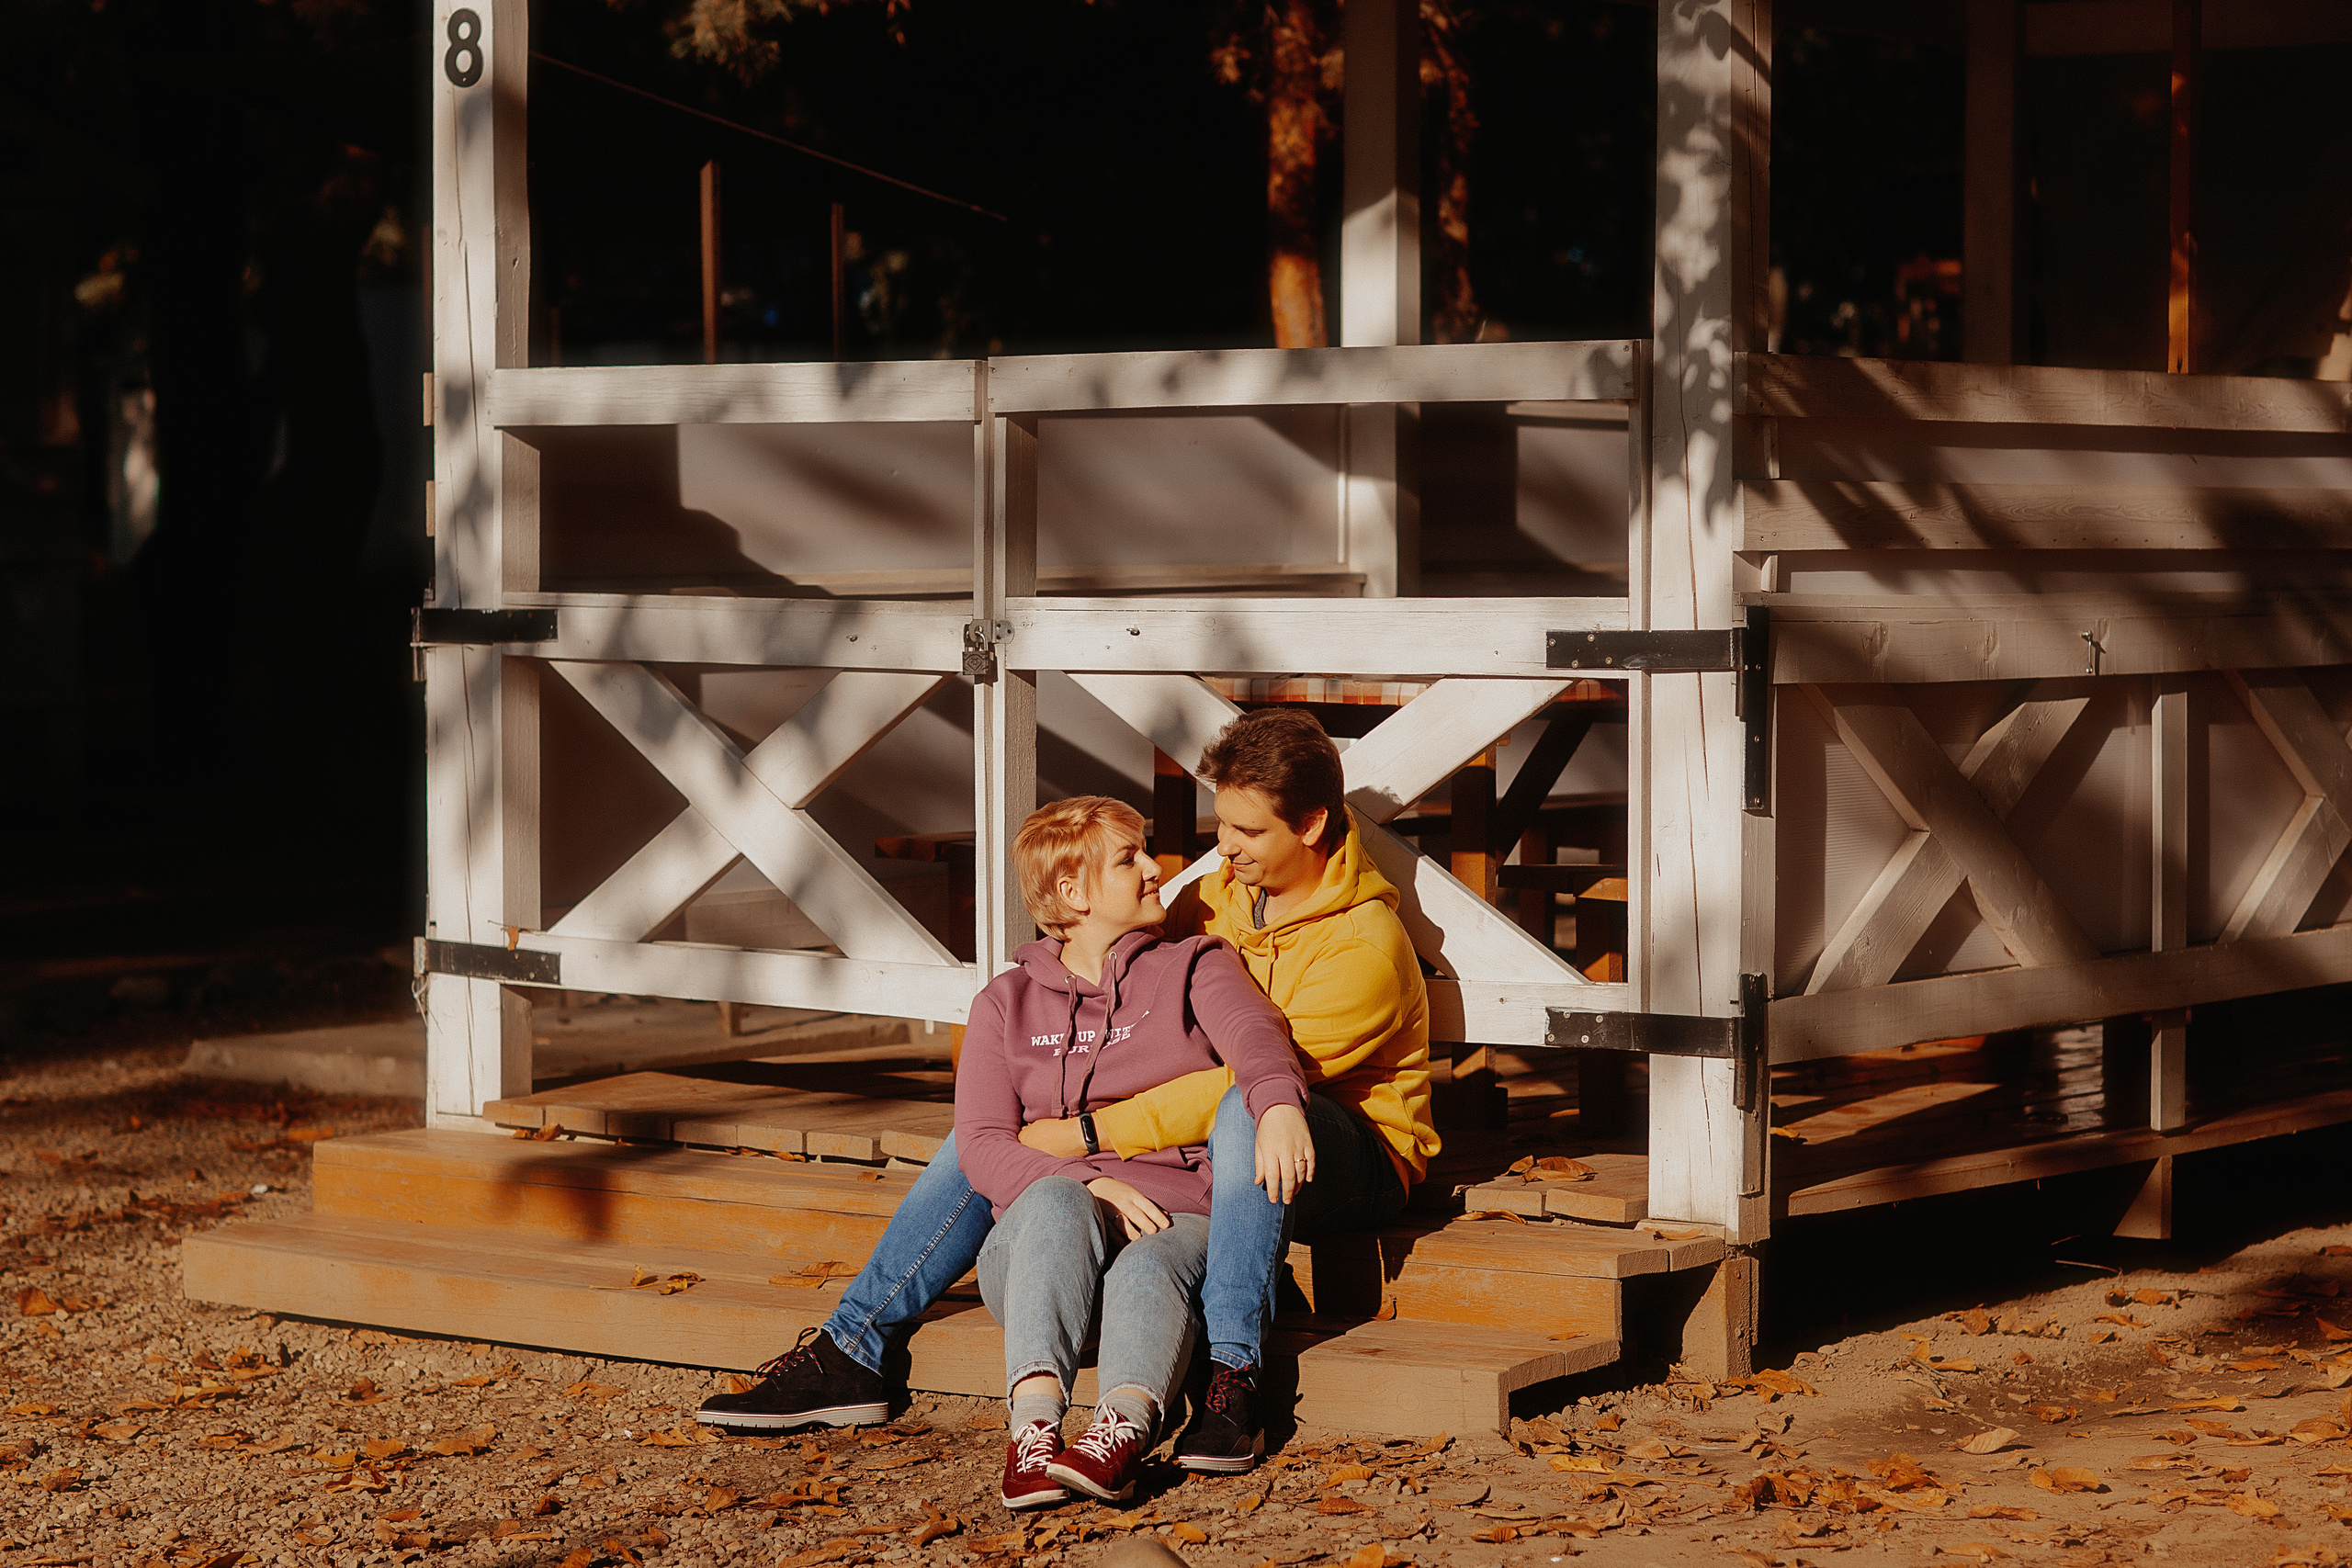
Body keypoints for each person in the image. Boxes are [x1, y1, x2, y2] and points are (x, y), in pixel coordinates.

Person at [695, 708, 1435, 1472]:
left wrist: (1089, 1133)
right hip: (1208, 1147)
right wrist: (1069, 1150)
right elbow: (1127, 974)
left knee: (1243, 1106)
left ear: (1310, 825)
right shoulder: (1213, 897)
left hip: (1344, 1145)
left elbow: (1249, 1069)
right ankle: (855, 1345)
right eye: (1223, 823)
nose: (1221, 846)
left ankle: (1233, 1372)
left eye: (1247, 831)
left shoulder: (1364, 946)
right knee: (983, 1137)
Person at [955, 796, 1306, 1507]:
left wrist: (1277, 1101)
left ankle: (1120, 1430)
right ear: (1073, 893)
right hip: (1042, 1268)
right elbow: (982, 1145)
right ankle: (1033, 1429)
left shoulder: (1194, 963)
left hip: (1175, 1223)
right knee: (1056, 1196)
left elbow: (1254, 1035)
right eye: (1129, 858)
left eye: (1146, 850)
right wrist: (1090, 1183)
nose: (1156, 868)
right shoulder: (1005, 1002)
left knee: (1151, 1257)